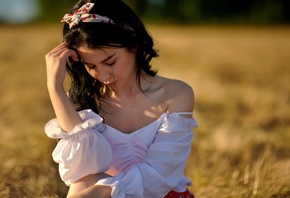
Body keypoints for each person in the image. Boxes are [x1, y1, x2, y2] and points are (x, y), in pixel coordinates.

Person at [44, 0, 197, 197]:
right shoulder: (83, 100)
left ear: (133, 43)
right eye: (91, 66)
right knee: (83, 181)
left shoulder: (177, 94)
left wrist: (102, 192)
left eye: (110, 61)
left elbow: (159, 175)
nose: (104, 76)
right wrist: (54, 87)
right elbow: (81, 171)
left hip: (159, 194)